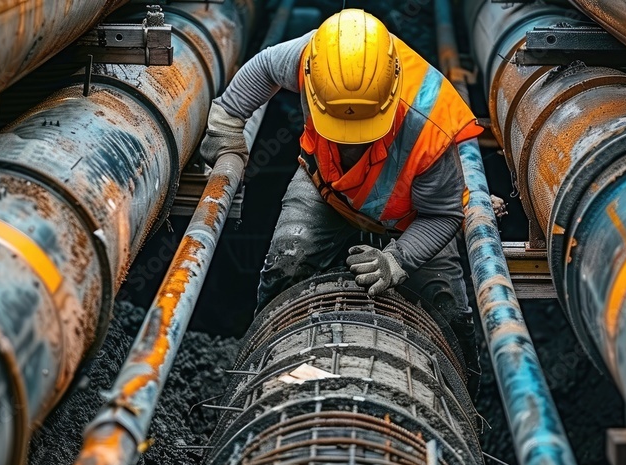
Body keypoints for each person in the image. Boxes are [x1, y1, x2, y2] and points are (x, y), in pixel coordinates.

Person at [199, 9, 483, 356]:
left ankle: (464, 402)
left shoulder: (431, 128)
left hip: (414, 217)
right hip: (326, 188)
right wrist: (227, 118)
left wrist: (398, 260)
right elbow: (265, 67)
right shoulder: (317, 61)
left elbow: (443, 215)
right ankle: (264, 359)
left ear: (392, 96)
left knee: (447, 311)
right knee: (286, 267)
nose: (350, 142)